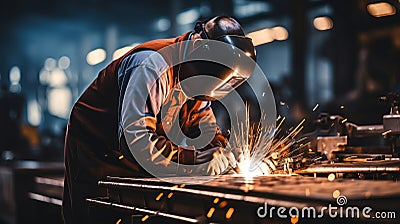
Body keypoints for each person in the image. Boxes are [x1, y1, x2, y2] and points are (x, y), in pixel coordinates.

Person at [62, 15, 258, 224]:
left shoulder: (198, 77)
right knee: (100, 214)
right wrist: (193, 160)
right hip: (97, 150)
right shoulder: (150, 65)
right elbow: (135, 141)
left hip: (135, 160)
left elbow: (202, 124)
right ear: (198, 47)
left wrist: (223, 154)